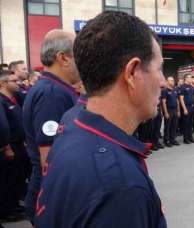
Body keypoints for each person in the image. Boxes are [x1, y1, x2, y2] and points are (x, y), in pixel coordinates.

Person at [36, 11, 167, 227]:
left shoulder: (72, 122)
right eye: (159, 68)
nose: (163, 82)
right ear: (132, 72)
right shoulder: (120, 187)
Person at [22, 29, 80, 223]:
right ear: (63, 58)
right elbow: (50, 157)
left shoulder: (54, 88)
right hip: (51, 197)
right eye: (77, 54)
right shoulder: (52, 94)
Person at [0, 70, 27, 222]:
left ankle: (14, 205)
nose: (18, 83)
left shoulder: (14, 99)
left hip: (19, 144)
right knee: (7, 180)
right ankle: (7, 211)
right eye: (14, 81)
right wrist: (7, 147)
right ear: (3, 83)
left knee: (17, 177)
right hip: (8, 146)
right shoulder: (2, 101)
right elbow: (3, 127)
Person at [161, 76, 180, 147]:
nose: (173, 81)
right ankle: (166, 140)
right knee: (168, 126)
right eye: (171, 80)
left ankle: (172, 139)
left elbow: (177, 100)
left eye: (173, 80)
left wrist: (178, 111)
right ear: (167, 82)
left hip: (175, 109)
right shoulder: (164, 90)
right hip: (169, 110)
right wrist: (165, 112)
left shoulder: (175, 90)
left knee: (174, 125)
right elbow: (163, 102)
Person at [179, 74, 194, 144]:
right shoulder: (182, 87)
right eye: (189, 78)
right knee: (186, 124)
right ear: (186, 79)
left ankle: (190, 137)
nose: (191, 79)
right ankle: (185, 139)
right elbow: (181, 99)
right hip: (187, 107)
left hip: (192, 107)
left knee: (191, 123)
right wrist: (184, 109)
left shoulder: (192, 87)